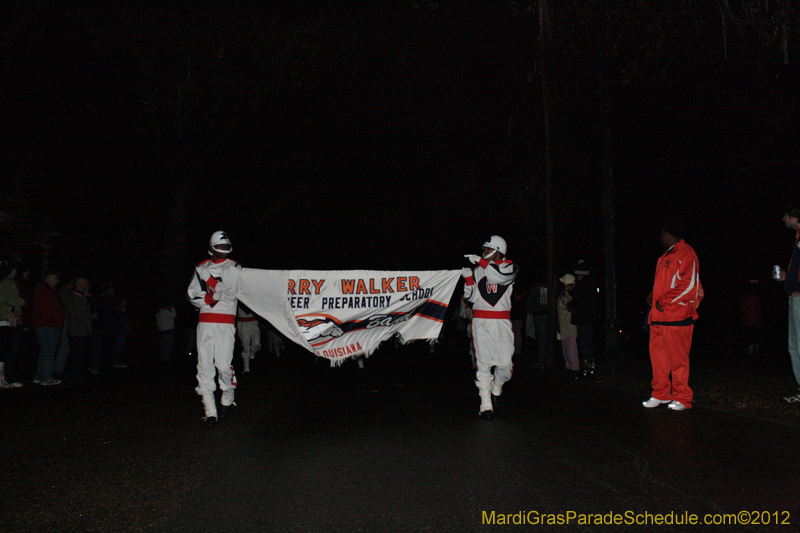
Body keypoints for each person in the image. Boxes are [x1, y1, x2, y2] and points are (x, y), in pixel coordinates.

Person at [643, 221, 703, 411]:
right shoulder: (668, 254)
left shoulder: (685, 252)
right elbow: (665, 284)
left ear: (668, 233)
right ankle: (660, 393)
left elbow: (689, 285)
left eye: (662, 233)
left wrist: (664, 301)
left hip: (677, 316)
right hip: (659, 316)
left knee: (679, 360)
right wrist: (654, 298)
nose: (660, 237)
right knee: (658, 359)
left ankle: (683, 397)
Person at [187, 231, 241, 428]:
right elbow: (192, 295)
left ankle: (228, 395)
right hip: (205, 323)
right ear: (212, 249)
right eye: (221, 248)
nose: (225, 251)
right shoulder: (200, 268)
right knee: (204, 364)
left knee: (224, 365)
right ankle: (210, 411)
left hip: (226, 323)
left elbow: (232, 292)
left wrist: (210, 286)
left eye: (227, 247)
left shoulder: (235, 267)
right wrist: (211, 298)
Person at [462, 235, 519, 420]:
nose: (483, 252)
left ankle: (497, 386)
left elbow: (498, 277)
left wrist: (480, 262)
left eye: (487, 249)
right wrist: (469, 280)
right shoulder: (478, 269)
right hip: (481, 320)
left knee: (505, 365)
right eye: (483, 249)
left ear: (497, 251)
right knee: (483, 362)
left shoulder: (510, 267)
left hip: (501, 321)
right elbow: (470, 297)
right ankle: (485, 403)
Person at [779, 208, 800, 403]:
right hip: (793, 296)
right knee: (794, 346)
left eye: (786, 215)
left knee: (798, 344)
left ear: (794, 216)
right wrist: (788, 278)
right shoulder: (798, 238)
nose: (783, 219)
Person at [32, 270, 64, 386]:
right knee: (48, 351)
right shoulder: (44, 291)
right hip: (47, 325)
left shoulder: (47, 290)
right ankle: (46, 377)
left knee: (45, 351)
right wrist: (53, 323)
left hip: (46, 324)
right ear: (47, 278)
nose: (57, 280)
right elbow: (46, 310)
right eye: (54, 277)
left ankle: (40, 375)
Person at [570, 260, 600, 377]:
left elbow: (576, 303)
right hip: (591, 319)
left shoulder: (580, 287)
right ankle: (592, 367)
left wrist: (571, 306)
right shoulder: (592, 285)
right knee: (589, 342)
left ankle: (586, 369)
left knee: (584, 343)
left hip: (583, 319)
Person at [0, 260, 26, 388]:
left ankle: (5, 378)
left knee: (6, 350)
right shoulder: (8, 283)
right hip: (7, 320)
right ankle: (6, 379)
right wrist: (23, 300)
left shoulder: (3, 282)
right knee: (8, 350)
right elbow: (12, 300)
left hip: (5, 320)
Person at [64, 278, 94, 379]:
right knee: (77, 353)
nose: (88, 286)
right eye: (86, 284)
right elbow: (78, 315)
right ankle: (74, 374)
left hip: (81, 329)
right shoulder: (75, 298)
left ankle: (76, 373)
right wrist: (92, 316)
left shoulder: (80, 297)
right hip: (77, 330)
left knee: (79, 352)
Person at [557, 273, 580, 374]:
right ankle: (572, 368)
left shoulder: (565, 295)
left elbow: (569, 306)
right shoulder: (565, 295)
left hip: (566, 326)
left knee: (569, 348)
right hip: (567, 325)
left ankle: (572, 367)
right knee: (569, 348)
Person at [237, 303, 261, 373]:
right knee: (246, 346)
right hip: (242, 323)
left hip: (253, 322)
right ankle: (246, 368)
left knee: (257, 343)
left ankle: (252, 352)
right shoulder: (239, 298)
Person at [156, 301, 177, 365]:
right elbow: (174, 315)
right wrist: (173, 308)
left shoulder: (159, 313)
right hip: (167, 331)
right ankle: (166, 360)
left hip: (161, 331)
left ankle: (162, 359)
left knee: (163, 347)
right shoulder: (167, 312)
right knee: (168, 346)